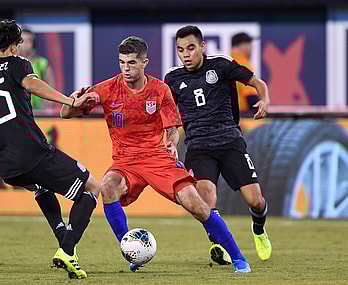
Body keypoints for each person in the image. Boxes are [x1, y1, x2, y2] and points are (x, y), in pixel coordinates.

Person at [61, 36, 251, 273]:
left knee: (198, 206)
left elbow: (172, 129)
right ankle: (130, 251)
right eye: (121, 63)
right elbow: (65, 114)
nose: (126, 69)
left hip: (158, 159)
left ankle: (238, 257)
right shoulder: (107, 89)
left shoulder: (160, 90)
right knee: (107, 187)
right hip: (126, 162)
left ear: (144, 63)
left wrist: (171, 144)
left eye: (131, 63)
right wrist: (72, 101)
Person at [0, 18, 100, 279]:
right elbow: (33, 85)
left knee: (41, 186)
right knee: (92, 187)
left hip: (5, 164)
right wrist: (70, 100)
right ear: (12, 45)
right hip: (31, 152)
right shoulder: (17, 64)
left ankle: (63, 238)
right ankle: (67, 249)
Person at [164, 25, 272, 266]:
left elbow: (257, 82)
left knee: (255, 200)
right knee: (205, 197)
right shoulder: (172, 78)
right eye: (180, 50)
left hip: (230, 141)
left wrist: (265, 100)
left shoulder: (221, 64)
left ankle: (258, 229)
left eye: (191, 48)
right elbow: (171, 119)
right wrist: (171, 141)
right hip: (198, 145)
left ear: (202, 46)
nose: (186, 55)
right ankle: (218, 243)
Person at [18, 28, 56, 111]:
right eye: (23, 41)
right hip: (19, 110)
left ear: (34, 44)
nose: (26, 44)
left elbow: (51, 86)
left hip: (38, 111)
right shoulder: (12, 64)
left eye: (29, 41)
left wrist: (47, 106)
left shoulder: (42, 63)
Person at [231, 32, 260, 112]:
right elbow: (251, 97)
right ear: (243, 46)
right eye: (249, 44)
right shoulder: (242, 63)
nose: (251, 47)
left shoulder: (227, 61)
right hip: (242, 116)